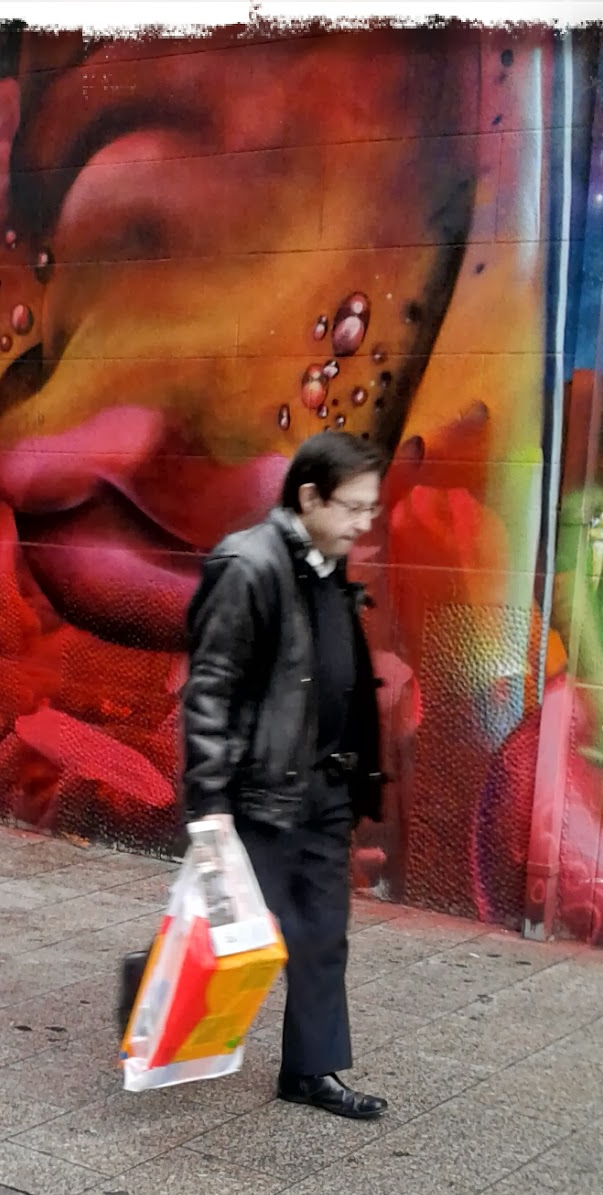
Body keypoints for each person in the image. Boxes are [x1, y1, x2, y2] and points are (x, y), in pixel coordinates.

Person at [182, 433, 389, 1119]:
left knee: (322, 933)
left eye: (371, 508)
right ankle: (151, 1018)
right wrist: (209, 800)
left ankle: (310, 1070)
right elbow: (209, 689)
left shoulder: (328, 565)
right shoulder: (248, 565)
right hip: (261, 791)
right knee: (219, 932)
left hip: (325, 788)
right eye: (353, 507)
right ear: (309, 497)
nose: (365, 522)